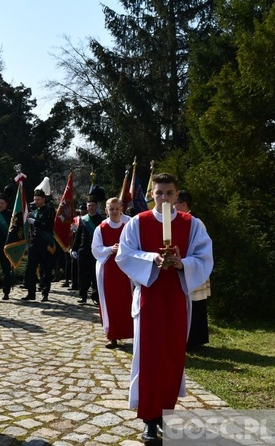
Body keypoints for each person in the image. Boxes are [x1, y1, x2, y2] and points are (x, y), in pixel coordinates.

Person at [115, 173, 213, 442]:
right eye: (159, 193)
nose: (164, 198)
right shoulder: (138, 222)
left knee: (171, 356)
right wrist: (152, 258)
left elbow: (204, 257)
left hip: (177, 297)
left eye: (169, 193)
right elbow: (124, 254)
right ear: (152, 195)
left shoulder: (192, 224)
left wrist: (182, 263)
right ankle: (149, 418)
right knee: (149, 357)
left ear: (177, 194)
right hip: (149, 295)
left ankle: (165, 414)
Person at [91, 197, 133, 349]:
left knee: (126, 300)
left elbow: (135, 245)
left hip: (126, 269)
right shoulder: (100, 228)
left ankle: (130, 331)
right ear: (106, 210)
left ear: (121, 209)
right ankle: (112, 335)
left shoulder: (128, 226)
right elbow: (95, 249)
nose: (115, 212)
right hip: (108, 268)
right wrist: (110, 249)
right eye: (111, 209)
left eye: (117, 208)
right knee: (110, 302)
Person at [175, 190, 211, 349]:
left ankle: (195, 340)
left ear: (183, 204)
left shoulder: (196, 222)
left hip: (193, 267)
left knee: (196, 304)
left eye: (175, 203)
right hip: (183, 267)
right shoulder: (178, 222)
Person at [23, 188, 55, 302]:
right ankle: (31, 293)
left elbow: (47, 226)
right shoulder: (33, 212)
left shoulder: (50, 210)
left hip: (45, 244)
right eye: (35, 199)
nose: (36, 201)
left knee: (45, 270)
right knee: (30, 269)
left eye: (38, 199)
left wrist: (35, 222)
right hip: (34, 244)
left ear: (43, 199)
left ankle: (45, 293)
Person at [71, 197, 105, 304]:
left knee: (95, 274)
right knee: (82, 274)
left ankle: (95, 296)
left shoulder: (102, 220)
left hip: (96, 251)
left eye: (93, 205)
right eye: (89, 206)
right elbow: (78, 235)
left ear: (96, 206)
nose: (90, 208)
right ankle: (83, 295)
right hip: (83, 249)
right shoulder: (83, 219)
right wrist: (74, 248)